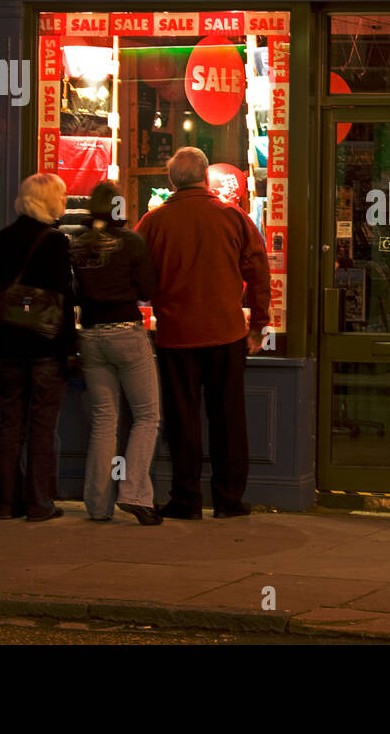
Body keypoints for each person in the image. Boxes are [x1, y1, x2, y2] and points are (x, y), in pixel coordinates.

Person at [135, 147, 270, 519]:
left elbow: (138, 275)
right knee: (228, 417)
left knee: (183, 418)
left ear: (172, 180)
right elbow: (258, 271)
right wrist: (258, 324)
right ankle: (228, 500)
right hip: (225, 334)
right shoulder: (233, 217)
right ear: (205, 176)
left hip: (176, 335)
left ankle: (186, 497)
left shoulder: (153, 221)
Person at [70, 181, 162, 525]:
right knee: (147, 416)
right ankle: (135, 493)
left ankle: (97, 504)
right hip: (126, 332)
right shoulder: (132, 243)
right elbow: (148, 290)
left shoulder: (78, 247)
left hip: (90, 337)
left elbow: (74, 293)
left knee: (104, 422)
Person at [0, 172, 75, 522]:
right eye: (62, 196)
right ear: (48, 200)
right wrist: (69, 347)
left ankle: (6, 504)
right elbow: (64, 299)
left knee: (11, 423)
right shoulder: (55, 242)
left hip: (8, 344)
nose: (66, 201)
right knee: (41, 425)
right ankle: (40, 504)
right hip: (44, 345)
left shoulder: (3, 238)